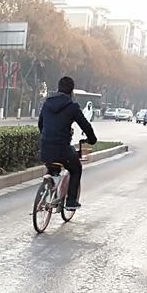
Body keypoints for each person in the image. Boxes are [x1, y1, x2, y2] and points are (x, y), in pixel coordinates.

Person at [37, 75, 97, 211]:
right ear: (72, 91)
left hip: (45, 148)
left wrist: (48, 136)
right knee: (76, 169)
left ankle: (43, 195)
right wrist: (92, 139)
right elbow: (85, 126)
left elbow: (40, 124)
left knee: (52, 167)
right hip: (62, 149)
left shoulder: (47, 103)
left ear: (58, 88)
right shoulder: (72, 107)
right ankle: (70, 201)